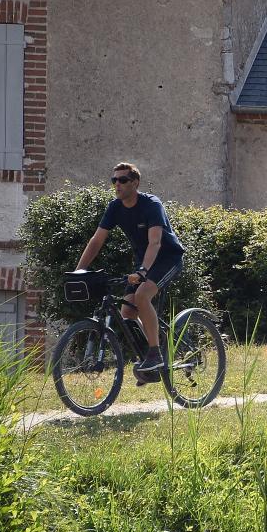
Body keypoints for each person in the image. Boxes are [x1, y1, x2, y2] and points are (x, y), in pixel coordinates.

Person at [74, 162, 186, 380]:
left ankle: (154, 354)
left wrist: (143, 271)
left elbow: (155, 243)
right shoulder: (115, 207)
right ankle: (151, 356)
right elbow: (97, 240)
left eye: (122, 180)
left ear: (135, 183)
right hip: (143, 263)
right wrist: (79, 271)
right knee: (127, 313)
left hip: (167, 258)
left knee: (142, 295)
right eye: (114, 180)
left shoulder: (151, 205)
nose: (117, 184)